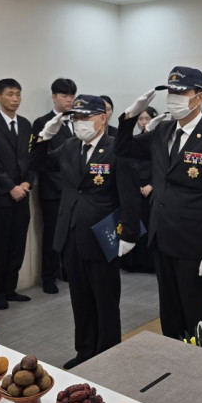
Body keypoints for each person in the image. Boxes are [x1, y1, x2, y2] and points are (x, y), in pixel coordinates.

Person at [115, 66, 202, 339]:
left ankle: (197, 364)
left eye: (181, 92)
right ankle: (172, 360)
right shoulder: (163, 130)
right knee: (169, 313)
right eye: (171, 92)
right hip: (162, 237)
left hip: (194, 243)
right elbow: (123, 149)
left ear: (199, 97)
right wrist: (130, 116)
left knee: (195, 316)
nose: (174, 98)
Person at [37, 95, 139, 369]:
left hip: (102, 235)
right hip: (71, 233)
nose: (80, 123)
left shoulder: (117, 148)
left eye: (86, 117)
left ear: (102, 118)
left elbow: (129, 196)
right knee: (79, 299)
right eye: (76, 118)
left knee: (105, 301)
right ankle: (84, 352)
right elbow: (39, 164)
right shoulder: (70, 146)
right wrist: (44, 138)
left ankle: (108, 355)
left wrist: (129, 234)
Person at [0, 78, 33, 310]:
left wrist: (27, 182)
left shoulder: (26, 124)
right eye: (10, 94)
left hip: (23, 195)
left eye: (18, 94)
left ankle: (11, 289)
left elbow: (31, 157)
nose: (15, 99)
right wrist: (11, 187)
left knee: (17, 246)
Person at [31, 78, 77, 294]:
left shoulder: (78, 120)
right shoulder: (42, 122)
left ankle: (68, 270)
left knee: (72, 233)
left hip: (75, 189)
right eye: (64, 95)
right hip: (52, 189)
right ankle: (48, 277)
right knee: (51, 235)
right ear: (54, 97)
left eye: (71, 95)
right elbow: (41, 159)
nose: (69, 100)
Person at [121, 106, 158, 273]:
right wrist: (135, 185)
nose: (143, 122)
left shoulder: (159, 141)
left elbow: (162, 167)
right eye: (140, 119)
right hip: (135, 189)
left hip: (152, 190)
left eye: (147, 119)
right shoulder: (134, 141)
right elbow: (127, 166)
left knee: (150, 227)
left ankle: (150, 263)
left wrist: (152, 185)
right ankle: (132, 262)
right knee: (135, 225)